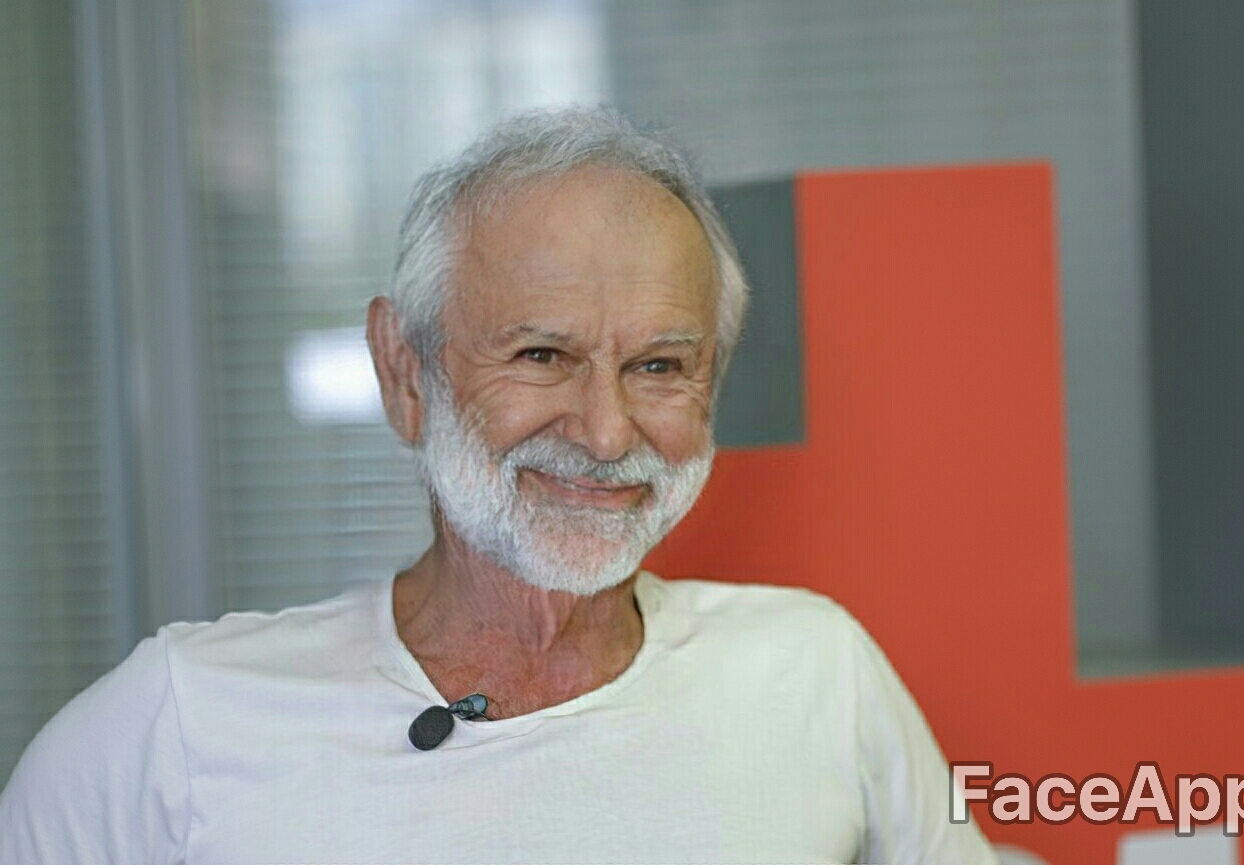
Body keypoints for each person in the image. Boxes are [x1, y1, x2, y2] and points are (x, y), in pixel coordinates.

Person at [0, 107, 998, 864]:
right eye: (541, 355)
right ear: (405, 372)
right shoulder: (181, 724)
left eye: (658, 366)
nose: (605, 432)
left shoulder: (817, 671)